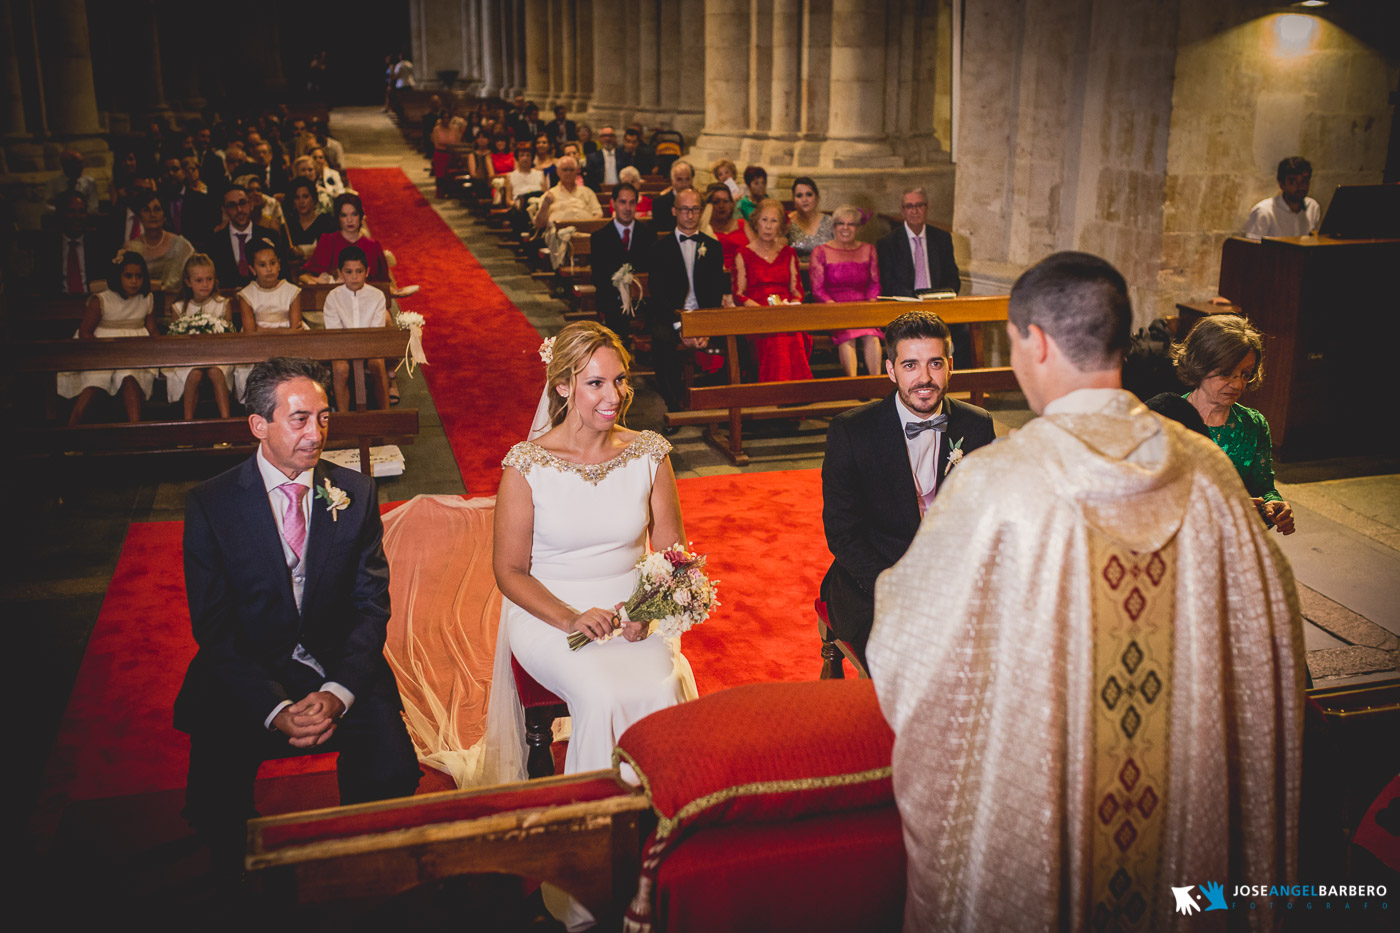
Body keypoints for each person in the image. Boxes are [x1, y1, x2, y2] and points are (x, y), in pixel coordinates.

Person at [867, 252, 1304, 933]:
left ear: (1035, 342)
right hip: (1183, 862)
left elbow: (905, 651)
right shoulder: (1210, 476)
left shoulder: (998, 482)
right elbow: (1268, 644)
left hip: (1047, 840)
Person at [176, 356, 421, 873]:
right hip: (248, 667)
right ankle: (239, 880)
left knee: (393, 770)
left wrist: (337, 693)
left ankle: (358, 865)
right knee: (217, 801)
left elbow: (371, 605)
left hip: (339, 663)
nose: (317, 433)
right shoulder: (210, 504)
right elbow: (215, 628)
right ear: (258, 426)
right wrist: (274, 709)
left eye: (324, 417)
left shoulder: (354, 493)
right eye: (300, 419)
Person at [493, 322, 699, 929]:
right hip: (547, 612)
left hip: (632, 606)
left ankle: (660, 852)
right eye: (596, 383)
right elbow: (508, 572)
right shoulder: (526, 466)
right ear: (562, 387)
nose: (614, 395)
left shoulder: (649, 453)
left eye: (620, 379)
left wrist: (646, 610)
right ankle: (588, 873)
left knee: (660, 685)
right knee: (602, 690)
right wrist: (569, 616)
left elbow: (674, 557)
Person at [821, 310, 994, 664]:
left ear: (949, 365)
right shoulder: (852, 432)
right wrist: (899, 587)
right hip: (873, 583)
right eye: (911, 365)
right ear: (890, 369)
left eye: (934, 364)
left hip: (955, 580)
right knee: (910, 657)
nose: (925, 378)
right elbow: (842, 534)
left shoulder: (977, 425)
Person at [1172, 315, 1296, 534]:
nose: (1238, 384)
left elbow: (1264, 488)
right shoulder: (1167, 418)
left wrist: (1274, 506)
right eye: (1226, 373)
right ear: (1200, 365)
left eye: (1245, 374)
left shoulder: (1253, 424)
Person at [648, 188, 732, 414]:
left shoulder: (713, 247)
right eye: (684, 209)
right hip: (672, 316)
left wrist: (704, 327)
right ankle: (674, 404)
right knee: (662, 340)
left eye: (695, 209)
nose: (689, 214)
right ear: (675, 211)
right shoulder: (659, 248)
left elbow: (715, 292)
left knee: (737, 340)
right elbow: (658, 294)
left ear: (701, 211)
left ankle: (718, 402)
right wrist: (681, 328)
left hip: (705, 315)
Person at [58, 251, 159, 425]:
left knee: (129, 376)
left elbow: (152, 330)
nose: (134, 281)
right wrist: (103, 355)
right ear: (117, 276)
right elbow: (85, 332)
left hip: (134, 352)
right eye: (128, 276)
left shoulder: (146, 298)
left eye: (139, 276)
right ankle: (71, 432)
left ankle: (135, 430)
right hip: (101, 349)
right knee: (95, 382)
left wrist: (158, 349)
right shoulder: (102, 300)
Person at [734, 198, 811, 381]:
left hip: (785, 311)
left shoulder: (789, 254)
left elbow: (797, 291)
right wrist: (763, 312)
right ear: (756, 223)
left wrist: (790, 306)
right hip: (757, 313)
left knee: (794, 334)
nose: (768, 226)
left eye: (774, 221)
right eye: (764, 220)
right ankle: (775, 392)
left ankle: (799, 391)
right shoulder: (743, 254)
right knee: (775, 336)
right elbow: (739, 294)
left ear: (780, 226)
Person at [812, 205, 883, 377]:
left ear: (858, 228)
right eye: (840, 223)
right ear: (833, 227)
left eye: (851, 224)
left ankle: (877, 384)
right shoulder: (820, 252)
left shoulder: (868, 250)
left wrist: (870, 304)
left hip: (863, 308)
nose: (845, 228)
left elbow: (875, 284)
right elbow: (818, 289)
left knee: (871, 336)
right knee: (848, 335)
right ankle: (854, 385)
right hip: (834, 309)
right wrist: (834, 307)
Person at [323, 245, 395, 410]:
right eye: (348, 272)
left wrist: (365, 348)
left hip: (371, 345)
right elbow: (334, 332)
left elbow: (376, 330)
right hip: (341, 347)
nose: (354, 277)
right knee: (340, 369)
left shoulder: (376, 296)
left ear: (367, 271)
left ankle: (385, 413)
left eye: (359, 271)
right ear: (340, 273)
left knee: (377, 364)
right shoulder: (333, 298)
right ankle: (344, 416)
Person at [164, 253, 233, 420]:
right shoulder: (179, 308)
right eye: (199, 280)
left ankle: (226, 420)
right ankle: (188, 423)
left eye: (209, 279)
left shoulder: (222, 304)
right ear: (188, 282)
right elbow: (175, 342)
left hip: (218, 356)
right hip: (188, 357)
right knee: (193, 374)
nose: (205, 284)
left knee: (216, 373)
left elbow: (229, 337)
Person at [591, 182, 656, 338]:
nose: (627, 208)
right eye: (623, 202)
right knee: (615, 318)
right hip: (612, 299)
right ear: (613, 204)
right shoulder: (600, 237)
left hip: (642, 298)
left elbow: (652, 272)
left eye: (632, 203)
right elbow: (598, 277)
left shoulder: (648, 235)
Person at [301, 193, 391, 282]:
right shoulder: (328, 242)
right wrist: (314, 281)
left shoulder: (373, 246)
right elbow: (305, 275)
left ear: (361, 216)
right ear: (338, 218)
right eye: (344, 215)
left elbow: (384, 284)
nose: (349, 220)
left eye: (354, 214)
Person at [209, 184, 282, 288]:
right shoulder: (214, 241)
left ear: (251, 205)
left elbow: (283, 276)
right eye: (232, 205)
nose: (239, 210)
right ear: (224, 210)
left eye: (242, 203)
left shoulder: (270, 236)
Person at [122, 191, 196, 291]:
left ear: (165, 216)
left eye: (157, 210)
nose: (152, 214)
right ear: (139, 217)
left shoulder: (181, 246)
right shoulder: (130, 248)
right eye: (146, 210)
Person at [1243, 155, 1320, 239]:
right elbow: (1252, 249)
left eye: (1304, 181)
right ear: (1281, 184)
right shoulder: (1265, 211)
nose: (1300, 187)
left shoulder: (1312, 207)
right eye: (1293, 182)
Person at [533, 155, 603, 229]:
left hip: (585, 233)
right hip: (558, 234)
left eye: (571, 170)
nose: (568, 173)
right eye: (565, 170)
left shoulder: (587, 192)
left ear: (577, 171)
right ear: (558, 171)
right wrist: (545, 206)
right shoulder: (550, 194)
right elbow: (539, 224)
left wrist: (588, 226)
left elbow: (598, 214)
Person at [700, 182, 747, 269]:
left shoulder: (743, 224)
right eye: (716, 202)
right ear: (708, 205)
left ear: (731, 204)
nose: (721, 206)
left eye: (725, 201)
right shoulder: (703, 229)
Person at [286, 177, 338, 256]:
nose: (301, 201)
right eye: (297, 198)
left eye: (305, 196)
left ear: (313, 199)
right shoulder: (289, 224)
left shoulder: (326, 221)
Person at [786, 176, 834, 260]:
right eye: (799, 195)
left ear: (817, 197)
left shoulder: (830, 222)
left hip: (827, 271)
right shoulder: (787, 223)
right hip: (796, 271)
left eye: (809, 194)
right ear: (793, 200)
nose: (804, 199)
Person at [45, 149, 100, 213]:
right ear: (64, 165)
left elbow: (94, 206)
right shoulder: (53, 183)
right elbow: (48, 205)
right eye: (75, 163)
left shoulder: (89, 182)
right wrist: (64, 213)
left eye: (80, 162)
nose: (81, 166)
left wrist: (80, 214)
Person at [650, 160, 694, 235]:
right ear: (672, 180)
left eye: (687, 179)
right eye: (679, 179)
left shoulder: (698, 201)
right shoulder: (659, 203)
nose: (684, 184)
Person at [584, 125, 622, 191]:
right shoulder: (592, 158)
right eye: (605, 136)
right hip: (600, 191)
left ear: (615, 138)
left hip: (620, 190)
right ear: (600, 138)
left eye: (611, 136)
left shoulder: (623, 156)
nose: (608, 139)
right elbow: (590, 180)